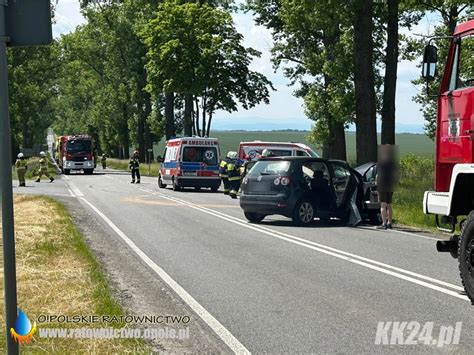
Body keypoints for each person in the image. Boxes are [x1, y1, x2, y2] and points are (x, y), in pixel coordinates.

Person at [376, 145, 398, 229]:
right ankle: (390, 223)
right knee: (389, 205)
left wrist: (376, 182)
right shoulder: (393, 163)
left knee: (383, 205)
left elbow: (378, 175)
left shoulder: (381, 163)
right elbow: (395, 175)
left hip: (382, 184)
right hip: (390, 184)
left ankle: (384, 223)